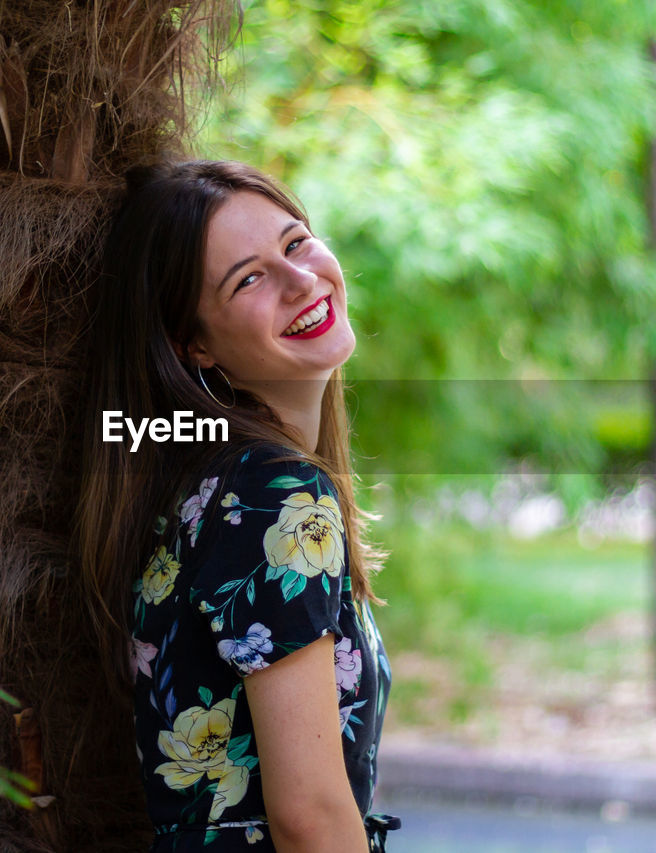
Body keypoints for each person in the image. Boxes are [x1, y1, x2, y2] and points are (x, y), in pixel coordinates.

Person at [75, 160, 397, 852]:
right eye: (247, 278)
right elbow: (310, 815)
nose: (301, 280)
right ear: (195, 345)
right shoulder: (272, 493)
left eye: (296, 242)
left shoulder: (204, 478)